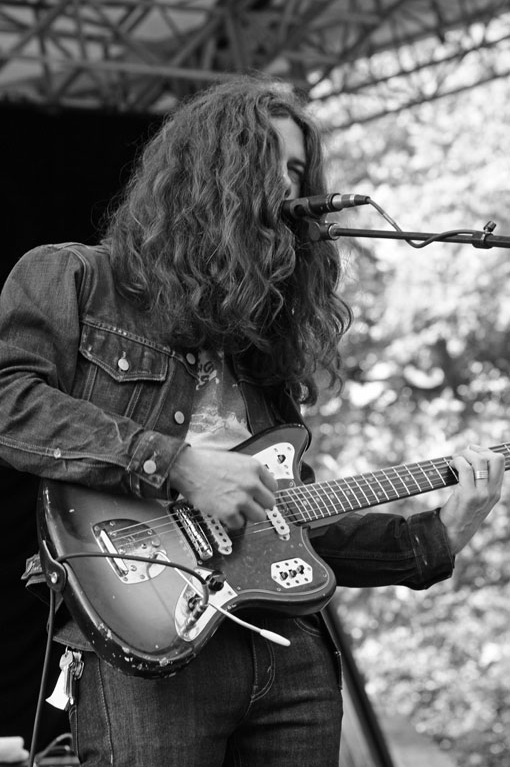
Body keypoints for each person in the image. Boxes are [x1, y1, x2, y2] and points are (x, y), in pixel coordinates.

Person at [0, 75, 504, 767]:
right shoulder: (77, 279)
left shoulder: (258, 346)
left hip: (289, 653)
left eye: (298, 169)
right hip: (152, 650)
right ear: (209, 172)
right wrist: (174, 460)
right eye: (266, 161)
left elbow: (292, 523)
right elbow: (10, 403)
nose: (290, 187)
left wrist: (436, 537)